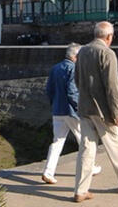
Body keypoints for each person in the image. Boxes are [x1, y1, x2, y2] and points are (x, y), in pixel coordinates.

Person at [73, 21, 118, 203]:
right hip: (103, 110)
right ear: (109, 37)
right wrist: (117, 113)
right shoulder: (107, 53)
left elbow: (77, 79)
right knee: (114, 144)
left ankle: (80, 190)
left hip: (85, 107)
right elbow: (112, 86)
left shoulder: (82, 52)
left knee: (86, 149)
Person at [42, 43, 101, 185]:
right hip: (72, 112)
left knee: (57, 142)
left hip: (58, 110)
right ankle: (90, 168)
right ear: (75, 57)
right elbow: (72, 92)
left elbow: (49, 90)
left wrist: (54, 104)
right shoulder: (74, 68)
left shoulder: (55, 68)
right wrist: (80, 107)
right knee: (85, 140)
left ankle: (48, 172)